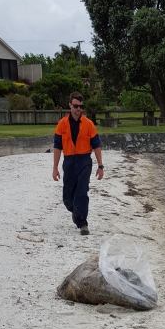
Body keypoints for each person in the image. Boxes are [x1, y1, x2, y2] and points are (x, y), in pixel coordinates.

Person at [52, 92, 104, 236]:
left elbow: (97, 145)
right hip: (69, 161)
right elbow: (57, 146)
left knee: (82, 191)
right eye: (75, 106)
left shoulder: (89, 124)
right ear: (70, 105)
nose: (78, 109)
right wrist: (55, 168)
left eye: (81, 106)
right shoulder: (61, 124)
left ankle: (83, 223)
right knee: (68, 197)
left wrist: (100, 166)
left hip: (84, 161)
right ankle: (75, 212)